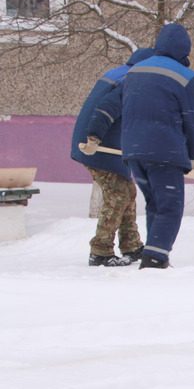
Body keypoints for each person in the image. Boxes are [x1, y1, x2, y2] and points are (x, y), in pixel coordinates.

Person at [121, 22, 194, 270]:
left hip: (134, 150)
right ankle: (155, 259)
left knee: (154, 203)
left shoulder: (135, 71)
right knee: (170, 205)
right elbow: (193, 119)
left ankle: (154, 252)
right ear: (184, 51)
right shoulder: (186, 77)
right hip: (165, 150)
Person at [70, 48, 154, 267]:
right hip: (97, 146)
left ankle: (132, 246)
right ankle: (100, 250)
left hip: (104, 143)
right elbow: (106, 109)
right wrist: (94, 137)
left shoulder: (122, 73)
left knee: (127, 190)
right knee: (118, 193)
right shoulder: (130, 80)